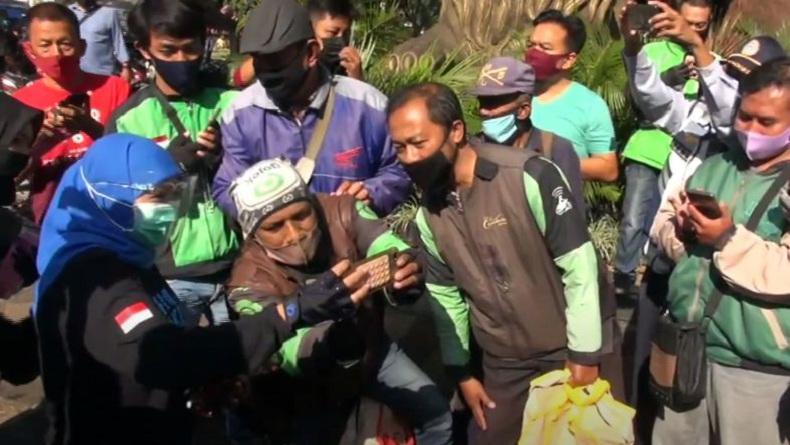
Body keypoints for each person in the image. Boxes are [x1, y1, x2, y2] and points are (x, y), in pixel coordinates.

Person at [34, 133, 373, 445]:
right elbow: (159, 354)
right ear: (110, 196)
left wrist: (208, 379)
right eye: (156, 197)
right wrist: (290, 313)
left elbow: (168, 339)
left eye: (174, 195)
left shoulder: (130, 257)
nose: (169, 210)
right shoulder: (93, 278)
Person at [387, 82, 604, 444]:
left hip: (566, 351)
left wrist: (584, 353)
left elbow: (579, 267)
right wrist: (462, 373)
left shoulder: (529, 176)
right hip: (504, 365)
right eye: (399, 148)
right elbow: (447, 300)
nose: (409, 158)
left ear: (456, 131)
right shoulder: (430, 215)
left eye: (418, 143)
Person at [223, 158, 453, 444]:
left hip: (373, 349)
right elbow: (286, 349)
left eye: (301, 216)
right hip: (305, 389)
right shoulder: (247, 282)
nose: (294, 234)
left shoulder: (343, 210)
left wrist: (405, 268)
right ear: (253, 233)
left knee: (437, 415)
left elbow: (384, 242)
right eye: (275, 226)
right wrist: (330, 342)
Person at [649, 58, 790, 445]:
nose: (750, 130)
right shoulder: (715, 167)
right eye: (744, 117)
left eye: (766, 122)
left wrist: (727, 238)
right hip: (686, 348)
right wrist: (683, 231)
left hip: (756, 368)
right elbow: (662, 221)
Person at [106, 0, 240, 327]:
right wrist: (167, 166)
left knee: (242, 368)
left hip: (238, 267)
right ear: (144, 50)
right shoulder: (128, 120)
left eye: (190, 49)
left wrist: (228, 157)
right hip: (170, 275)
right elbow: (117, 204)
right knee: (179, 370)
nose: (181, 60)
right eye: (168, 50)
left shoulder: (232, 103)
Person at [214, 0, 409, 217]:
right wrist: (267, 210)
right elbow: (226, 189)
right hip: (282, 248)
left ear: (311, 53)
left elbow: (398, 172)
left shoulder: (368, 106)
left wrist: (371, 193)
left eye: (276, 61)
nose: (268, 73)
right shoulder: (240, 115)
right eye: (260, 62)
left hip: (355, 245)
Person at [613, 0, 713, 302]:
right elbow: (635, 102)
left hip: (686, 159)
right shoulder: (654, 51)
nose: (694, 29)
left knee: (665, 222)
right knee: (633, 217)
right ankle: (623, 276)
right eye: (689, 22)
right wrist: (670, 78)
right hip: (648, 147)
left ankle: (651, 277)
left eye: (701, 25)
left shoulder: (710, 61)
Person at [12, 2, 130, 225]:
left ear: (82, 46)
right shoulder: (20, 103)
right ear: (30, 50)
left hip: (113, 216)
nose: (56, 54)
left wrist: (90, 127)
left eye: (65, 44)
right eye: (45, 45)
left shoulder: (115, 88)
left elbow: (131, 153)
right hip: (54, 221)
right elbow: (14, 178)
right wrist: (41, 144)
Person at [473, 56, 584, 210]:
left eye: (493, 103)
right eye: (482, 102)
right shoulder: (474, 151)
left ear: (523, 110)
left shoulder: (555, 149)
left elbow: (573, 215)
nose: (483, 111)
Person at [525, 9, 618, 182]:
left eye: (545, 48)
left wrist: (551, 164)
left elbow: (608, 168)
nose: (534, 53)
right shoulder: (512, 94)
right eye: (531, 45)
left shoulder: (590, 105)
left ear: (569, 59)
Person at [232, 0, 364, 88]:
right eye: (332, 32)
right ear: (309, 28)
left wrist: (357, 77)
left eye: (345, 33)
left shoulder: (342, 66)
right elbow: (239, 79)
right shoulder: (289, 56)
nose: (340, 39)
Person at [68, 0, 131, 80]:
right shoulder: (67, 13)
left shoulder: (109, 13)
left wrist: (125, 67)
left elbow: (118, 41)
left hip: (104, 75)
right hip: (76, 76)